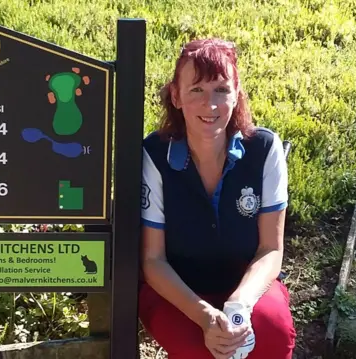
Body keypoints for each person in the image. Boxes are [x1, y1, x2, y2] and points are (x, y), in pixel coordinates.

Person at [138, 38, 296, 359]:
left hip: (246, 285)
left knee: (273, 333)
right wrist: (206, 316)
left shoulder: (264, 149)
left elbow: (270, 250)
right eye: (196, 90)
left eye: (221, 90)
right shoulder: (154, 154)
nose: (210, 105)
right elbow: (153, 261)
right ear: (176, 96)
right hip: (177, 291)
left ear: (236, 93)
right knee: (200, 348)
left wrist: (239, 307)